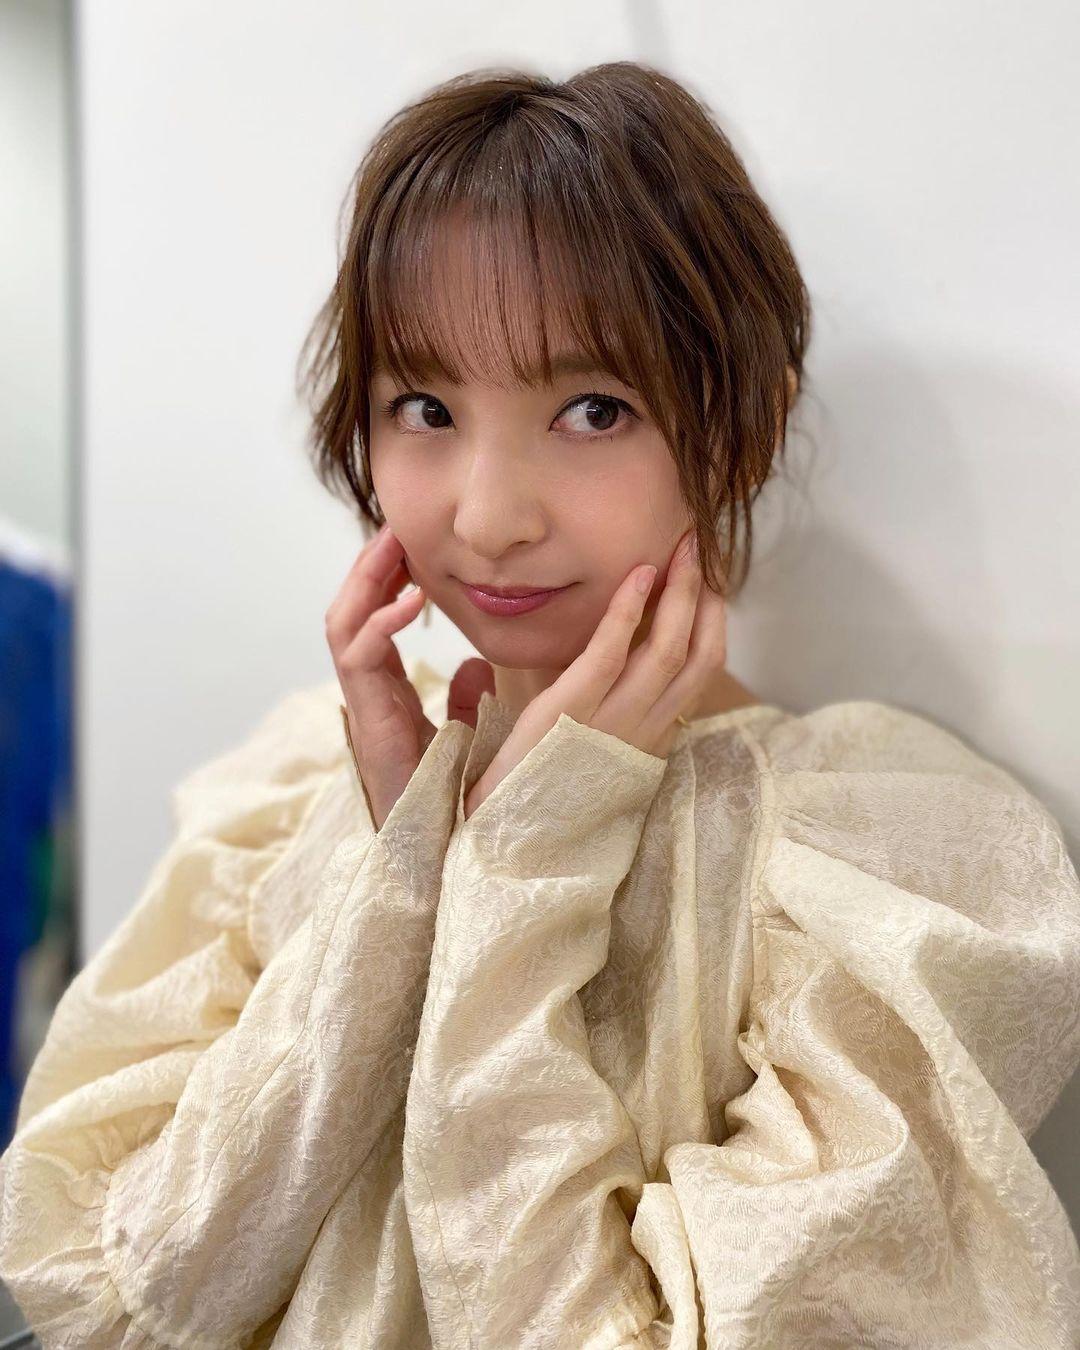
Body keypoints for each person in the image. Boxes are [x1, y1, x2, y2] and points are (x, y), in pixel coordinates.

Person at [3, 59, 1080, 1350]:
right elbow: (110, 1295)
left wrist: (525, 870)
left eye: (592, 409)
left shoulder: (886, 860)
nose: (489, 515)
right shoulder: (299, 785)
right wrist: (402, 877)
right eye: (424, 407)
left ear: (743, 427)